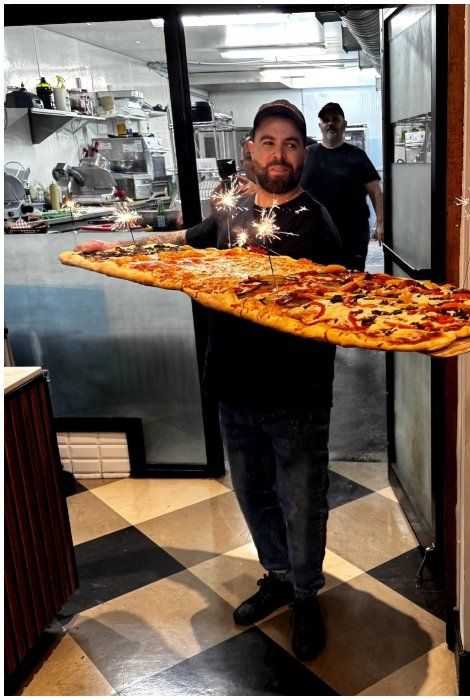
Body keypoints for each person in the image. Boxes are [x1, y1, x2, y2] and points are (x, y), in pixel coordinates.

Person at [75, 100, 342, 661]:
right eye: (269, 142)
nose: (279, 154)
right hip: (234, 385)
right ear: (250, 150)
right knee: (253, 494)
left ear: (304, 155)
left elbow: (337, 307)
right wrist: (119, 249)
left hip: (297, 394)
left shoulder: (318, 222)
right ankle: (275, 575)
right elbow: (183, 243)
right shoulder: (230, 213)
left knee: (303, 502)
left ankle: (304, 594)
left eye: (291, 144)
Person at [300, 102, 383, 271]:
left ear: (344, 124)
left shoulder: (357, 156)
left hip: (353, 235)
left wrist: (381, 223)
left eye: (335, 119)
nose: (330, 123)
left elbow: (375, 190)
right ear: (320, 126)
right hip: (315, 234)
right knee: (317, 282)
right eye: (325, 120)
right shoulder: (307, 155)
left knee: (353, 281)